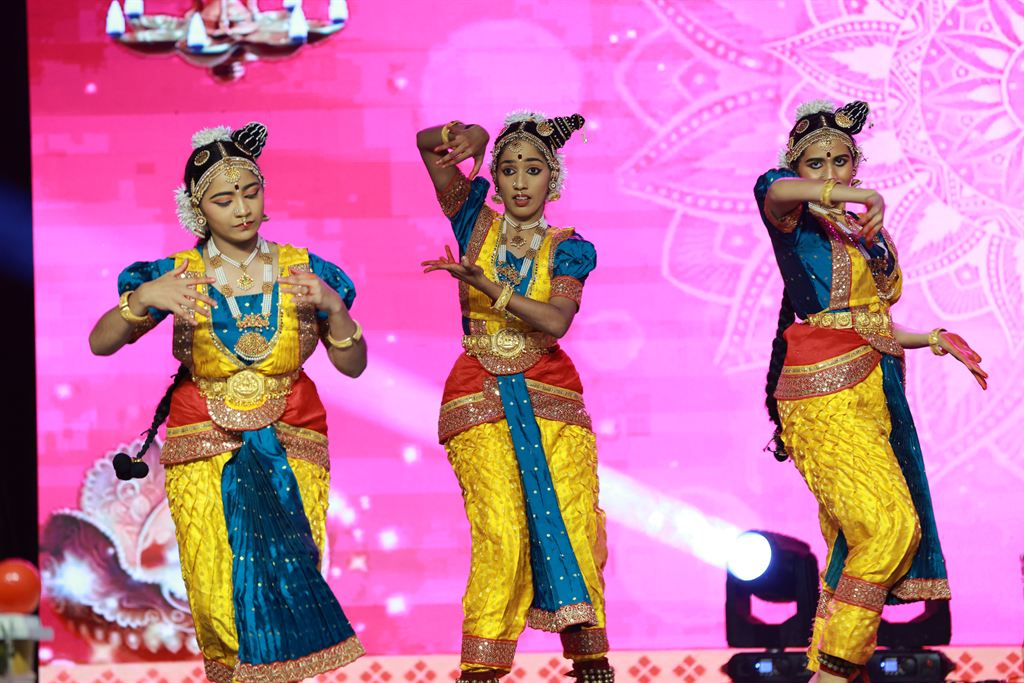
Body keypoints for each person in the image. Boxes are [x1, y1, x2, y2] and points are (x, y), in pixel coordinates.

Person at [88, 122, 367, 683]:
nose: (241, 209)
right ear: (197, 209)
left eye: (250, 193)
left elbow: (353, 365)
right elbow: (100, 343)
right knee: (216, 590)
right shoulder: (176, 275)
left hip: (292, 432)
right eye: (223, 199)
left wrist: (336, 310)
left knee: (287, 580)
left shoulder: (307, 270)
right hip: (203, 436)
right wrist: (143, 298)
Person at [754, 101, 988, 682]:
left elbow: (869, 323)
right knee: (889, 528)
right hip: (821, 395)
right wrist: (847, 195)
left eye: (841, 161)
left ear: (856, 162)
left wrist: (931, 338)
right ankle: (834, 673)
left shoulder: (866, 237)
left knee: (858, 541)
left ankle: (833, 667)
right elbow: (774, 189)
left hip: (875, 390)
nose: (830, 172)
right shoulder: (793, 217)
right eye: (815, 163)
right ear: (797, 168)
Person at [415, 112, 613, 683]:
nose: (520, 181)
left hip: (552, 393)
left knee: (575, 524)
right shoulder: (473, 218)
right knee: (501, 530)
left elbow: (556, 321)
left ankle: (590, 658)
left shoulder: (570, 248)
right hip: (477, 391)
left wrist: (489, 288)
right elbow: (427, 147)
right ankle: (481, 667)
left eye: (533, 169)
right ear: (495, 180)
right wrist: (472, 136)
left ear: (554, 179)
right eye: (507, 169)